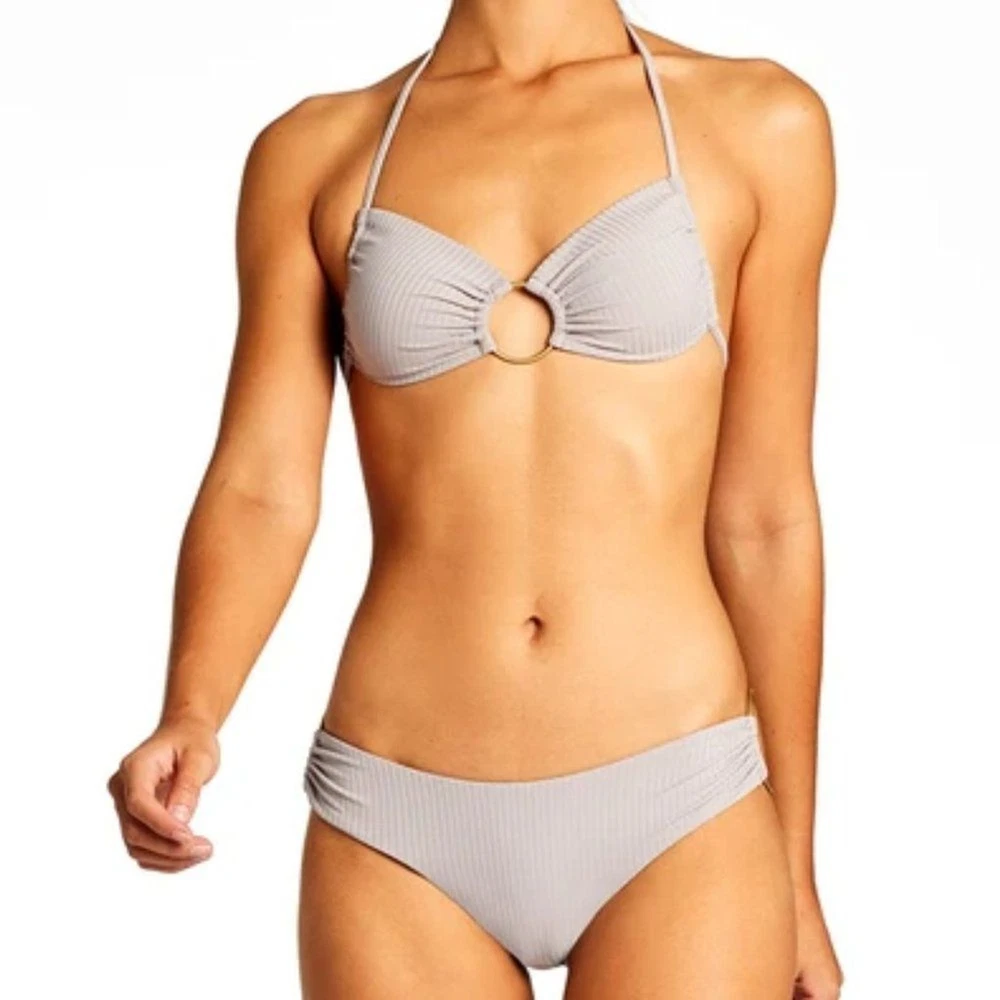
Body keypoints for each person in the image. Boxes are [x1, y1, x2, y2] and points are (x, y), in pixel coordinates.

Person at [107, 1, 841, 996]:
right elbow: (262, 483)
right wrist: (191, 710)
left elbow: (764, 516)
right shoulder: (318, 151)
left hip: (682, 796)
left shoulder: (757, 121)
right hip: (394, 812)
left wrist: (794, 872)